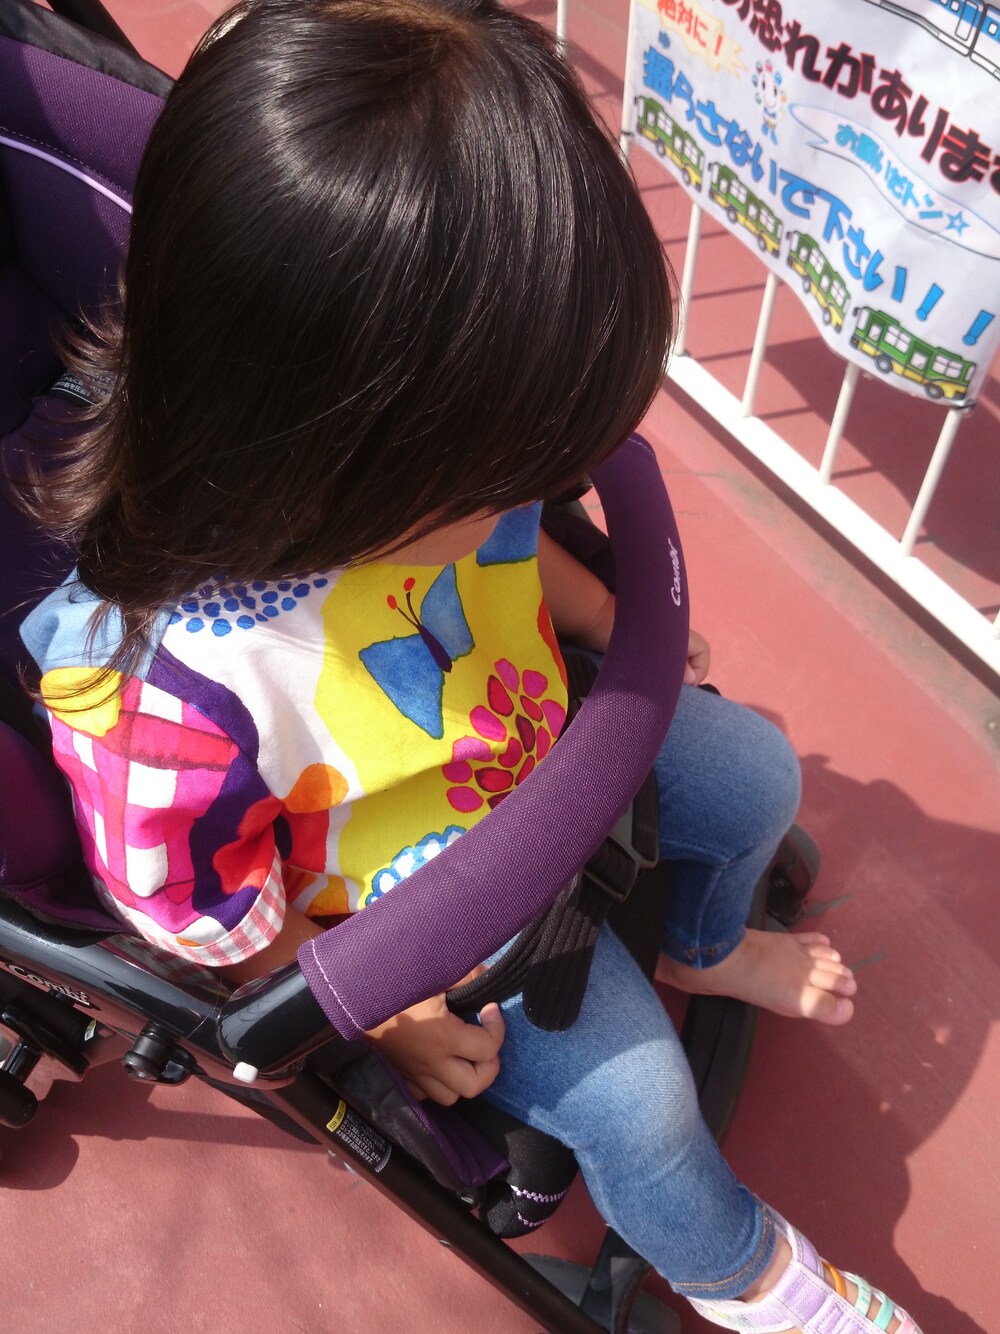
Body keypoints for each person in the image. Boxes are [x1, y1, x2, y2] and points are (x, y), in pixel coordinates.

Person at [17, 2, 920, 1330]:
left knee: (756, 773)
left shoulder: (417, 463)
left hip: (526, 727)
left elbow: (505, 544)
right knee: (643, 1105)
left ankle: (704, 943)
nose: (538, 489)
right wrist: (377, 1012)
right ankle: (743, 1276)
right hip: (412, 901)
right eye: (515, 470)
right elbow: (206, 923)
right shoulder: (171, 699)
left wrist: (608, 619)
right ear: (348, 474)